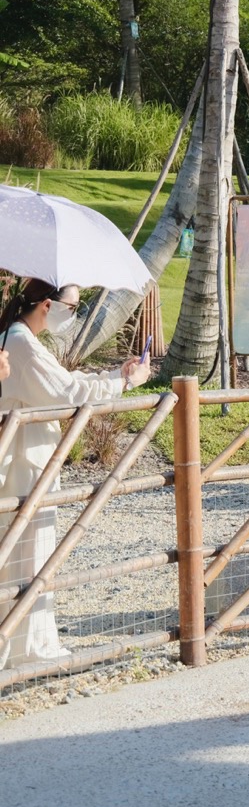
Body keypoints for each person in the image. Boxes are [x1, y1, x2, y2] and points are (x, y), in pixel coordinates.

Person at [0, 279, 149, 667]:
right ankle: (26, 649)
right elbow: (66, 394)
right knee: (27, 552)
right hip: (23, 460)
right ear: (48, 305)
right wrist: (125, 381)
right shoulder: (19, 342)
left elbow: (67, 385)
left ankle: (26, 645)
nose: (75, 312)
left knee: (29, 550)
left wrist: (115, 376)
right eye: (73, 305)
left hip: (30, 456)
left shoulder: (23, 339)